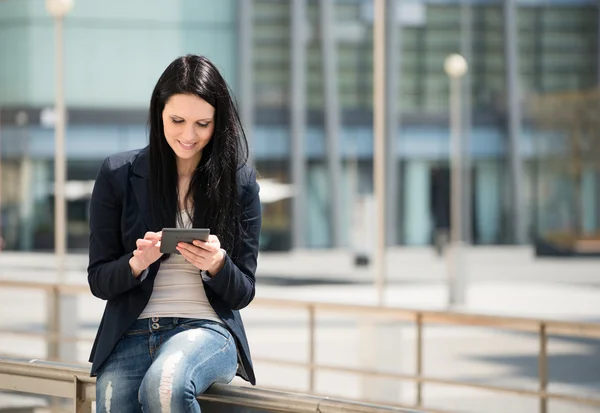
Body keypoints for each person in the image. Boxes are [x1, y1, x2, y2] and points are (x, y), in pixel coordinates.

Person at [87, 54, 262, 413]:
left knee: (165, 385)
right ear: (158, 115)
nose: (188, 135)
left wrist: (218, 264)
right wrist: (135, 264)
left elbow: (243, 290)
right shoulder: (118, 174)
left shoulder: (240, 183)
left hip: (206, 328)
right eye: (177, 120)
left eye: (202, 123)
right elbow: (99, 279)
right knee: (108, 402)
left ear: (219, 122)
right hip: (129, 332)